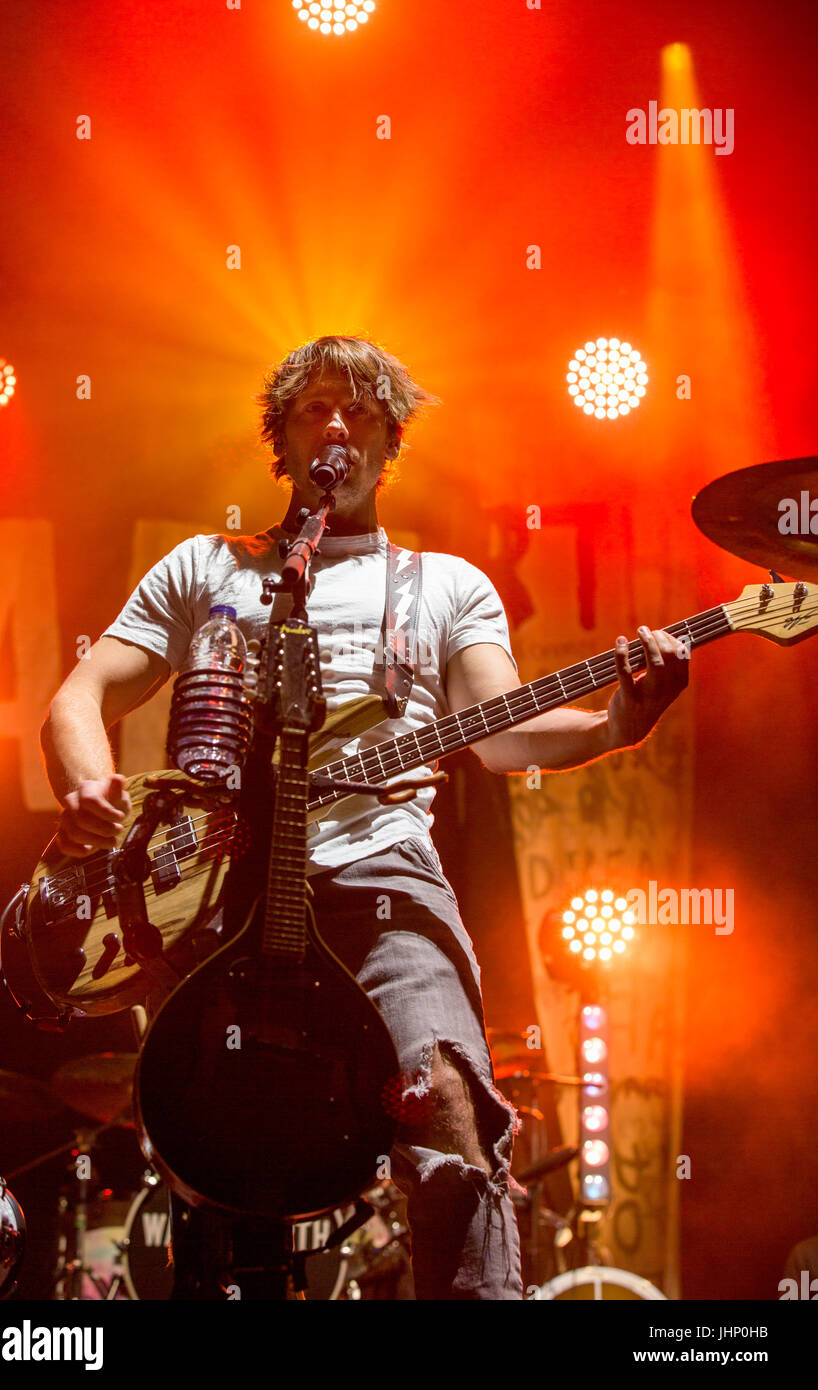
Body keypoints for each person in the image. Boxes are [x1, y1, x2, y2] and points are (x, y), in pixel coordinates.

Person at [39, 335, 689, 1300]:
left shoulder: (445, 586)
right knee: (211, 1161)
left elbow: (503, 729)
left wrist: (616, 721)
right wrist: (89, 786)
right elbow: (80, 695)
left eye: (362, 413)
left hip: (382, 875)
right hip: (221, 889)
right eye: (314, 410)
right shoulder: (206, 565)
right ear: (282, 442)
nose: (337, 427)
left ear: (391, 446)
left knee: (451, 1120)